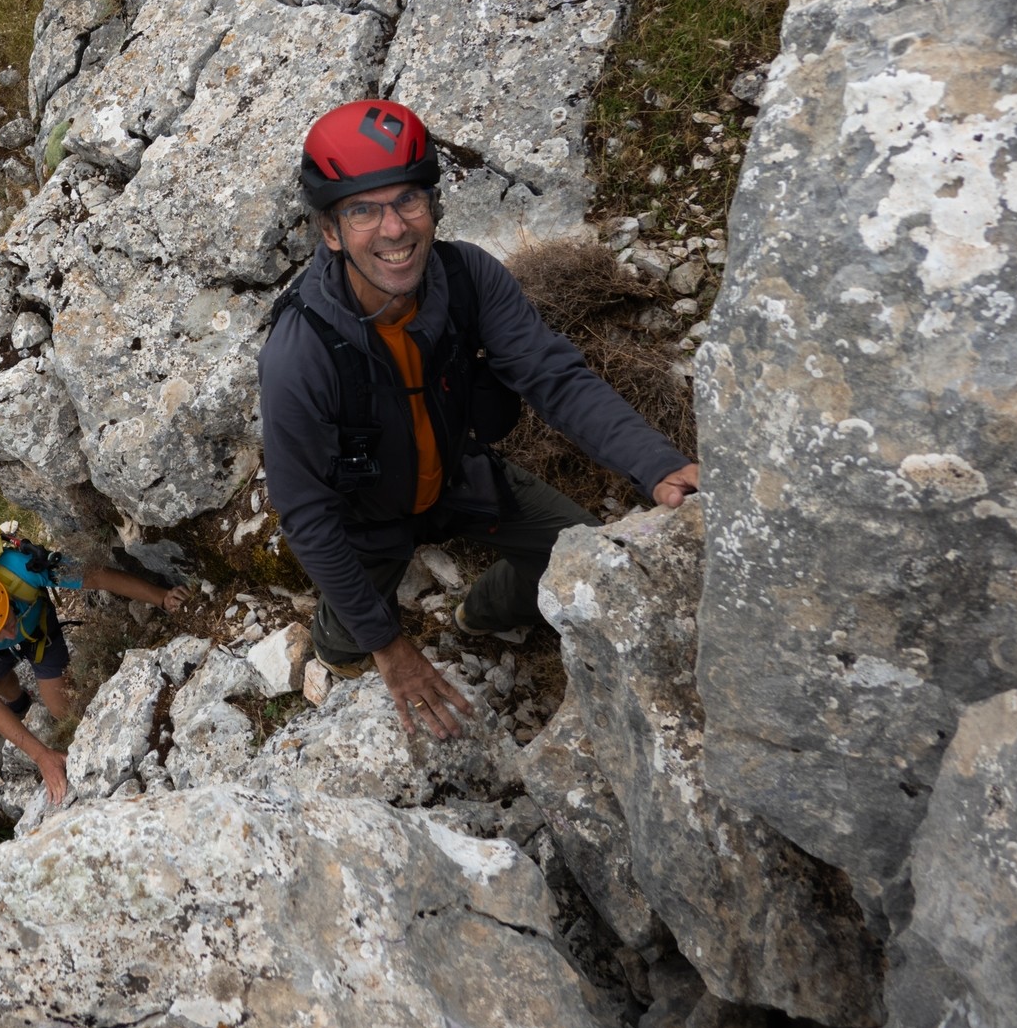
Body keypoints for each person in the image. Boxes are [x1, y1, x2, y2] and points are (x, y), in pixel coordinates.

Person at [258, 98, 699, 742]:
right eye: (362, 210)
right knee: (355, 636)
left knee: (579, 555)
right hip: (365, 518)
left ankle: (478, 614)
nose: (393, 229)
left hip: (459, 479)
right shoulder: (299, 354)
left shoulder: (467, 278)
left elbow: (553, 376)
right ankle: (334, 645)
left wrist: (655, 464)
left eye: (408, 200)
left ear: (433, 206)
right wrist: (393, 649)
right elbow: (305, 516)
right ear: (329, 231)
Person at [0, 543, 185, 804]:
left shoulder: (22, 568)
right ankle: (19, 703)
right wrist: (41, 755)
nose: (9, 635)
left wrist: (162, 597)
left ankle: (18, 684)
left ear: (4, 595)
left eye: (8, 620)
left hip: (37, 628)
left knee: (61, 710)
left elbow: (98, 576)